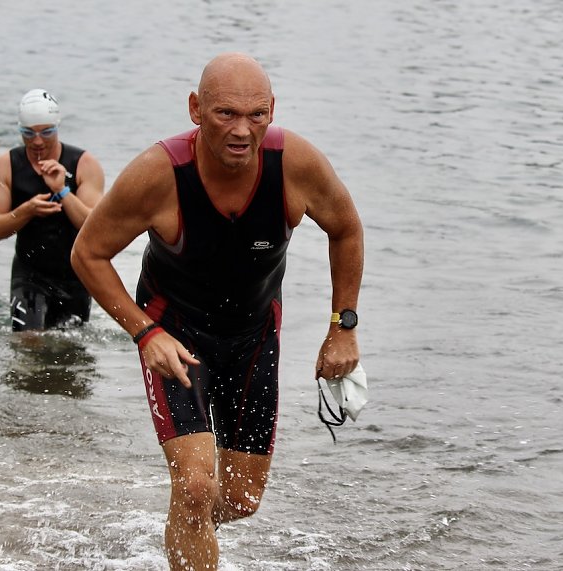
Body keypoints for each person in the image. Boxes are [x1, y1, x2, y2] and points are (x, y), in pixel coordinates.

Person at [71, 52, 364, 570]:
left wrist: (342, 327)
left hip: (253, 336)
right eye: (226, 113)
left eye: (256, 115)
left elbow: (345, 228)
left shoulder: (294, 165)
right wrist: (145, 335)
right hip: (175, 337)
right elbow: (87, 253)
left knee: (240, 501)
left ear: (272, 110)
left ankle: (184, 528)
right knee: (194, 486)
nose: (242, 131)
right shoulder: (159, 174)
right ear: (195, 110)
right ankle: (188, 519)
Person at [0, 89, 105, 331]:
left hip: (76, 274)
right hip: (29, 272)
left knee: (71, 352)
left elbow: (95, 229)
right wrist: (27, 210)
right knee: (27, 343)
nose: (37, 141)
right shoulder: (5, 165)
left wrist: (62, 191)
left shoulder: (84, 164)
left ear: (57, 127)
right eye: (28, 133)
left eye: (46, 132)